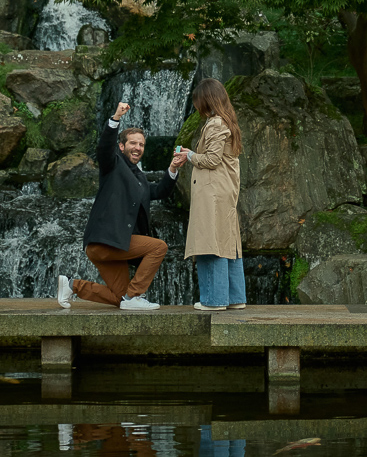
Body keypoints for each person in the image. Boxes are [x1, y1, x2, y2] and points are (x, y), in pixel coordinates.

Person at [55, 101, 186, 311]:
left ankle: (71, 285)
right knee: (158, 247)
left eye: (142, 144)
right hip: (106, 241)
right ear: (122, 146)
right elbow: (104, 147)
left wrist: (172, 169)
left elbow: (159, 192)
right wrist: (115, 118)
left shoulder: (140, 179)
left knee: (120, 298)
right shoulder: (113, 165)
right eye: (133, 143)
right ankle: (135, 295)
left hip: (115, 246)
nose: (138, 148)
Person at [178, 78, 246, 311]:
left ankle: (214, 300)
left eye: (198, 101)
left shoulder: (216, 124)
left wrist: (188, 156)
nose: (196, 106)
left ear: (206, 99)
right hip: (223, 190)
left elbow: (212, 159)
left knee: (210, 242)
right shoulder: (228, 122)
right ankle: (235, 298)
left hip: (213, 192)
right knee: (227, 241)